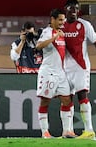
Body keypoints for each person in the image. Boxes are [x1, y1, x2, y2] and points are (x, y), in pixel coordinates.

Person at [63, 0, 96, 139]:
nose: (73, 12)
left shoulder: (84, 25)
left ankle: (89, 130)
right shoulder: (60, 26)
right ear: (65, 10)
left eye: (76, 9)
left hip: (81, 67)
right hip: (64, 68)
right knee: (66, 99)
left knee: (82, 95)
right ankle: (68, 131)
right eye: (71, 9)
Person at [35, 8, 74, 138]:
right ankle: (45, 132)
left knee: (67, 100)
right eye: (60, 20)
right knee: (45, 102)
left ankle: (67, 131)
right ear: (53, 19)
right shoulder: (47, 32)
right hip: (48, 72)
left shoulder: (61, 32)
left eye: (64, 20)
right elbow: (38, 46)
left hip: (60, 73)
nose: (63, 22)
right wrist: (54, 37)